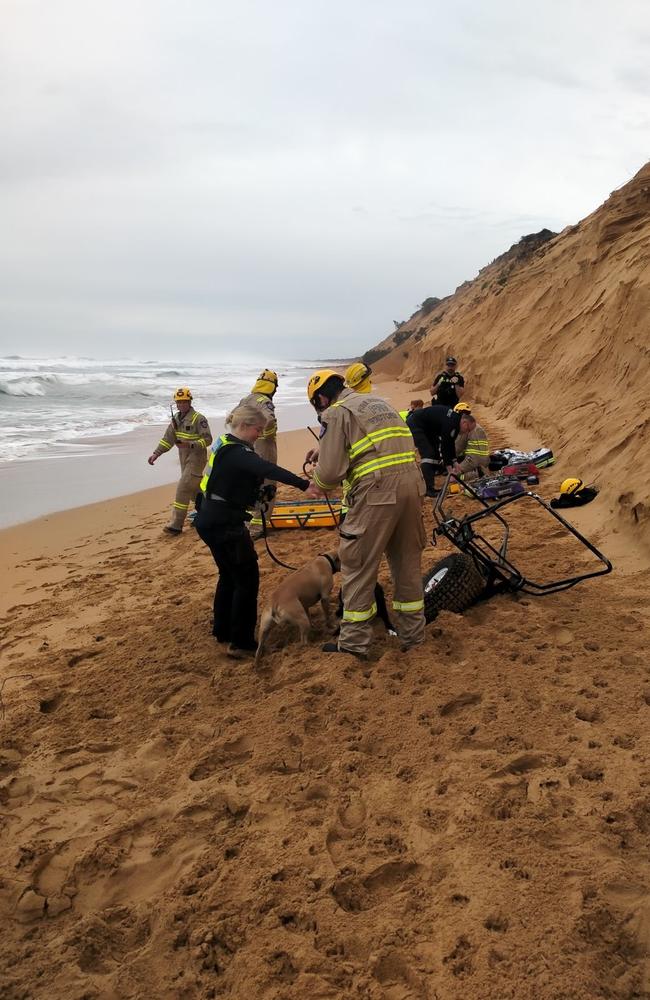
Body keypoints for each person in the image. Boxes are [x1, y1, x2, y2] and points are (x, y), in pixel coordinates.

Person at [304, 369, 426, 658]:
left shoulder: (334, 412)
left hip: (377, 493)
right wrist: (326, 448)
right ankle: (413, 636)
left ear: (321, 397)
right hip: (413, 487)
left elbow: (331, 473)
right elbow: (374, 444)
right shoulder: (378, 403)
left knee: (357, 566)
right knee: (407, 563)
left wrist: (318, 483)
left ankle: (353, 644)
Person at [195, 402, 309, 659]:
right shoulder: (238, 452)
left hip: (208, 518)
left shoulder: (222, 443)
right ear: (245, 426)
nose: (260, 435)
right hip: (225, 525)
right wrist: (304, 485)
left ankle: (222, 630)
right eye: (258, 430)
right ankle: (241, 642)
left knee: (228, 575)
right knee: (247, 580)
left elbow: (225, 481)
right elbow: (267, 469)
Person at [148, 387, 212, 534]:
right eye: (179, 402)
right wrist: (156, 454)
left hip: (196, 459)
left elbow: (208, 440)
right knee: (194, 491)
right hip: (184, 459)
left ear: (190, 402)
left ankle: (176, 525)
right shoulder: (176, 419)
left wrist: (190, 444)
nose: (181, 405)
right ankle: (208, 513)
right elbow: (167, 439)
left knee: (183, 488)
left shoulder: (199, 419)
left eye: (184, 402)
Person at [238, 369, 279, 539]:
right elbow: (269, 419)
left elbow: (232, 419)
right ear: (272, 386)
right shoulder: (265, 401)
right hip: (263, 447)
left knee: (249, 485)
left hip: (244, 448)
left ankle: (246, 524)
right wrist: (262, 434)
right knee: (267, 486)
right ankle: (257, 528)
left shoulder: (245, 400)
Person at [406, 403, 474, 496]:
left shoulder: (455, 421)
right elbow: (445, 446)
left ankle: (433, 477)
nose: (467, 432)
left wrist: (454, 461)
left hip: (428, 428)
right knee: (428, 455)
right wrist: (450, 469)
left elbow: (450, 444)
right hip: (416, 424)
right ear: (464, 423)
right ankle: (428, 489)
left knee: (435, 452)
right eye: (468, 429)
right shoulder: (452, 423)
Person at [453, 403, 490, 479]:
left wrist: (455, 468)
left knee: (453, 476)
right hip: (479, 462)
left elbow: (458, 448)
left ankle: (474, 474)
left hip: (475, 463)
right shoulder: (474, 427)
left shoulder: (471, 430)